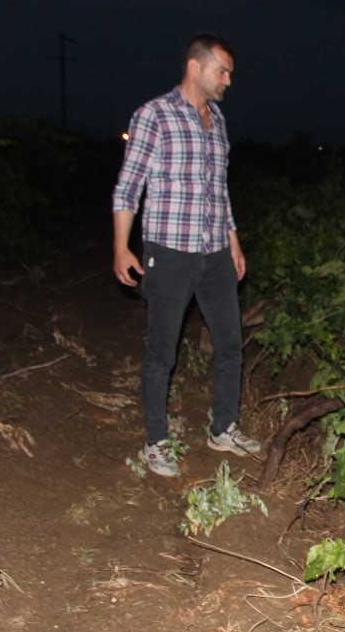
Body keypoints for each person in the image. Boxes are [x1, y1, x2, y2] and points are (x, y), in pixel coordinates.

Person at [111, 32, 261, 478]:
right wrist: (121, 246)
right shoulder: (153, 116)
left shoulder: (218, 121)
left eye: (230, 72)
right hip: (170, 252)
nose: (229, 80)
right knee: (163, 351)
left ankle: (223, 428)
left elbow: (220, 189)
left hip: (214, 252)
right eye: (223, 71)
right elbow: (128, 186)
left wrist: (232, 241)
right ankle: (156, 441)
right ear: (196, 68)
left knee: (231, 343)